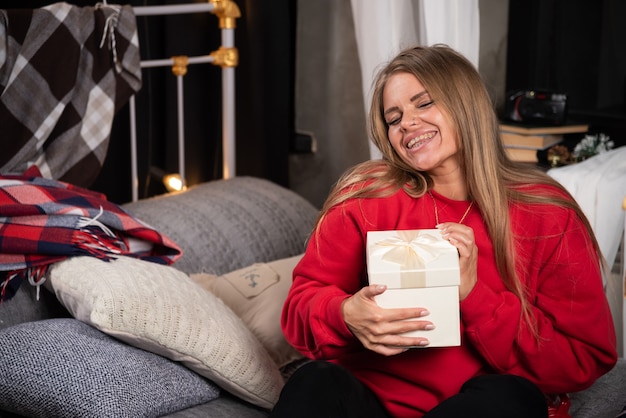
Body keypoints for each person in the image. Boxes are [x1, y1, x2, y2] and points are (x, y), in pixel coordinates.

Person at [270, 44, 618, 418]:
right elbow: (299, 309)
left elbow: (584, 358)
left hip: (482, 401)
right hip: (369, 401)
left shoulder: (545, 212)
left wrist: (474, 295)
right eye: (393, 117)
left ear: (465, 104)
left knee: (509, 397)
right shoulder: (368, 196)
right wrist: (344, 313)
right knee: (314, 380)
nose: (406, 123)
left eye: (423, 103)